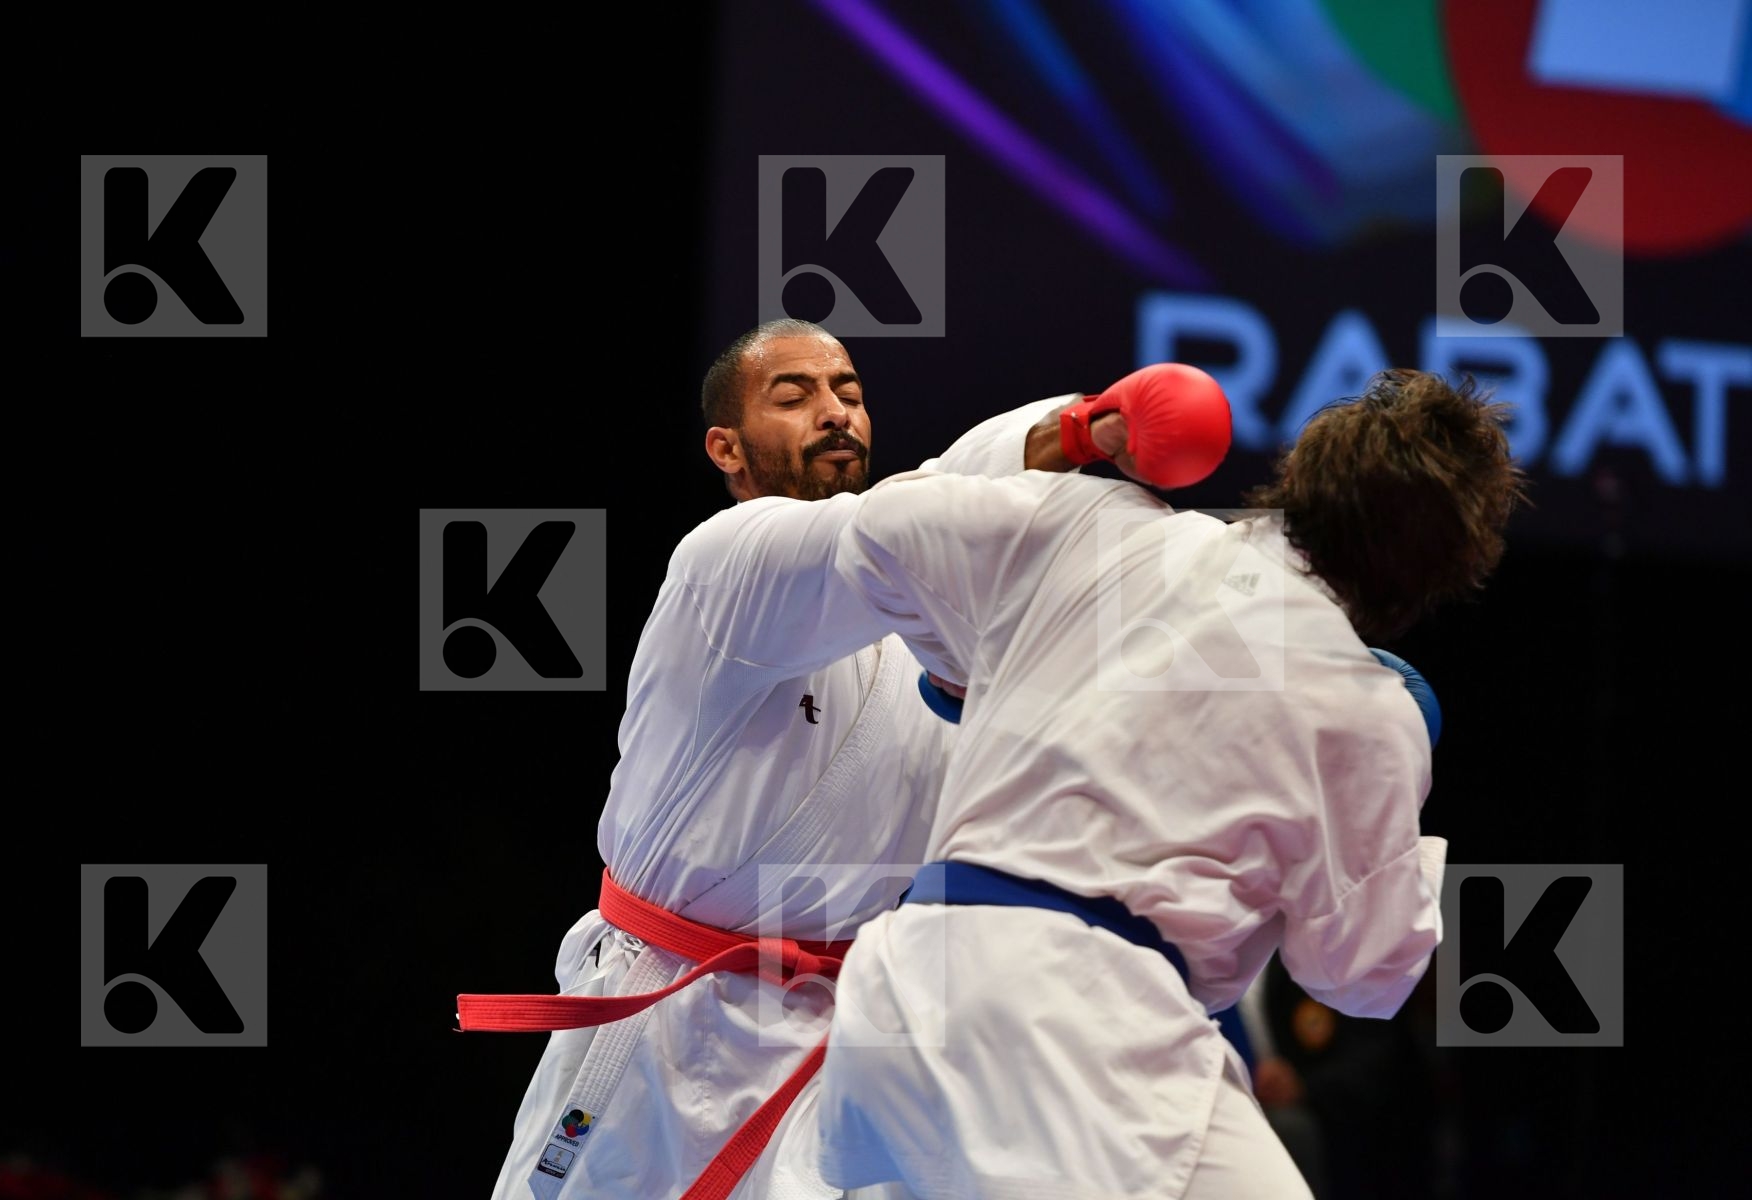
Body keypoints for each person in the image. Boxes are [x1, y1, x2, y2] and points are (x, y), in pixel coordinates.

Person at [464, 319, 1230, 1199]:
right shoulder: (726, 566)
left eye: (851, 394)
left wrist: (1085, 429)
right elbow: (920, 509)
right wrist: (1077, 437)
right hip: (668, 1022)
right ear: (727, 447)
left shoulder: (917, 619)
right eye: (794, 396)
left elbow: (935, 497)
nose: (834, 413)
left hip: (839, 1036)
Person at [811, 369, 1526, 1198]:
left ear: (1299, 475)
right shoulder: (1370, 711)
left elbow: (875, 531)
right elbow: (1360, 977)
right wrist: (1405, 813)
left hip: (901, 991)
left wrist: (1073, 435)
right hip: (1079, 1028)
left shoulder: (1104, 525)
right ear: (1442, 573)